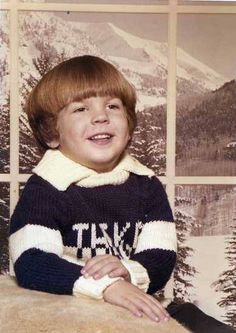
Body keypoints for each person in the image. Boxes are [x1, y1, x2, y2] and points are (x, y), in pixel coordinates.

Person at [9, 55, 235, 333]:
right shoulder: (45, 188)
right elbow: (32, 261)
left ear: (128, 129)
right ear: (52, 133)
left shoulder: (146, 185)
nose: (100, 116)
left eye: (112, 106)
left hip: (141, 301)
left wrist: (128, 272)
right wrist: (106, 286)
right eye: (80, 109)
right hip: (67, 307)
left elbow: (160, 255)